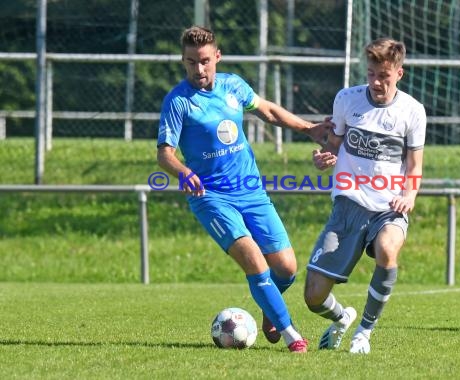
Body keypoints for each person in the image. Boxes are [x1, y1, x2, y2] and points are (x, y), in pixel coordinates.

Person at [156, 26, 329, 353]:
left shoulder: (233, 86)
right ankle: (293, 336)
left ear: (217, 57)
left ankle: (269, 310)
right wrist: (182, 172)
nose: (199, 69)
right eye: (191, 62)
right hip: (211, 198)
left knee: (287, 269)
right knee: (254, 259)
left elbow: (267, 111)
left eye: (205, 61)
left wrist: (309, 129)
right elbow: (164, 153)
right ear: (183, 61)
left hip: (251, 191)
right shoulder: (177, 102)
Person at [303, 37, 426, 354]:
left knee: (387, 248)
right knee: (313, 297)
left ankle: (364, 333)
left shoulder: (412, 111)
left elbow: (414, 165)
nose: (375, 82)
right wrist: (324, 157)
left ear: (399, 73)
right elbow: (332, 145)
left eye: (383, 75)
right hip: (347, 205)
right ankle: (342, 317)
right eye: (371, 73)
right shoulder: (346, 99)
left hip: (388, 207)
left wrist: (409, 195)